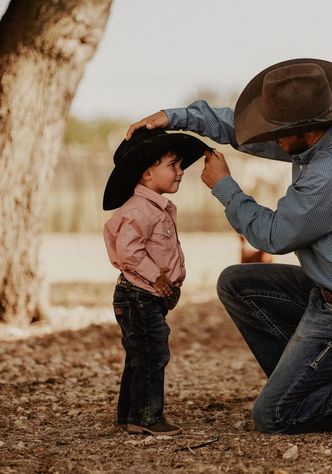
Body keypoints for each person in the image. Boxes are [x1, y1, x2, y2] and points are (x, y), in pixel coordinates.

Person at [125, 58, 332, 433]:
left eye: (276, 131)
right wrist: (175, 117)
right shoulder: (331, 132)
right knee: (237, 284)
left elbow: (272, 236)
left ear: (305, 129)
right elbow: (241, 129)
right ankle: (306, 385)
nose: (268, 138)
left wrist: (225, 187)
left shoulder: (331, 176)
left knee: (274, 416)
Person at [103, 127, 210, 435]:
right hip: (139, 294)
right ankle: (146, 417)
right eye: (173, 166)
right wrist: (158, 278)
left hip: (143, 295)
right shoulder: (140, 210)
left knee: (140, 354)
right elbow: (128, 251)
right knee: (152, 354)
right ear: (148, 174)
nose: (180, 172)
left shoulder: (155, 208)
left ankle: (129, 415)